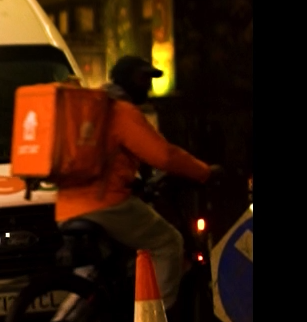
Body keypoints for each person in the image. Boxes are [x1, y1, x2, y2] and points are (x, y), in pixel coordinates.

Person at [64, 54, 216, 308]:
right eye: (143, 78)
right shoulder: (121, 111)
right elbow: (163, 155)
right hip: (105, 203)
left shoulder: (91, 109)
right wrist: (204, 171)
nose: (148, 85)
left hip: (69, 203)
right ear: (126, 79)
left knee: (93, 275)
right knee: (169, 243)